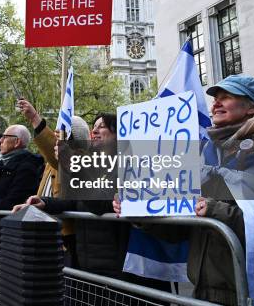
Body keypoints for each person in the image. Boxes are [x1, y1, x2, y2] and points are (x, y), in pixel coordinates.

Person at [113, 74, 254, 305]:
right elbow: (180, 230)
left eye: (227, 97)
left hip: (253, 292)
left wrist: (215, 211)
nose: (216, 103)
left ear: (252, 106)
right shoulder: (206, 152)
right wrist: (140, 210)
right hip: (203, 290)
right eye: (214, 99)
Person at [14, 114, 171, 299]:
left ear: (118, 134)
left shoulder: (129, 165)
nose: (94, 130)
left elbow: (101, 204)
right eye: (93, 126)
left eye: (102, 126)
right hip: (89, 262)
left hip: (120, 266)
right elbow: (75, 200)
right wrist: (45, 203)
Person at [16, 98, 90, 266]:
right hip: (45, 227)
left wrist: (35, 118)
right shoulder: (53, 160)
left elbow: (51, 148)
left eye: (60, 133)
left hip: (63, 234)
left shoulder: (78, 158)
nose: (55, 136)